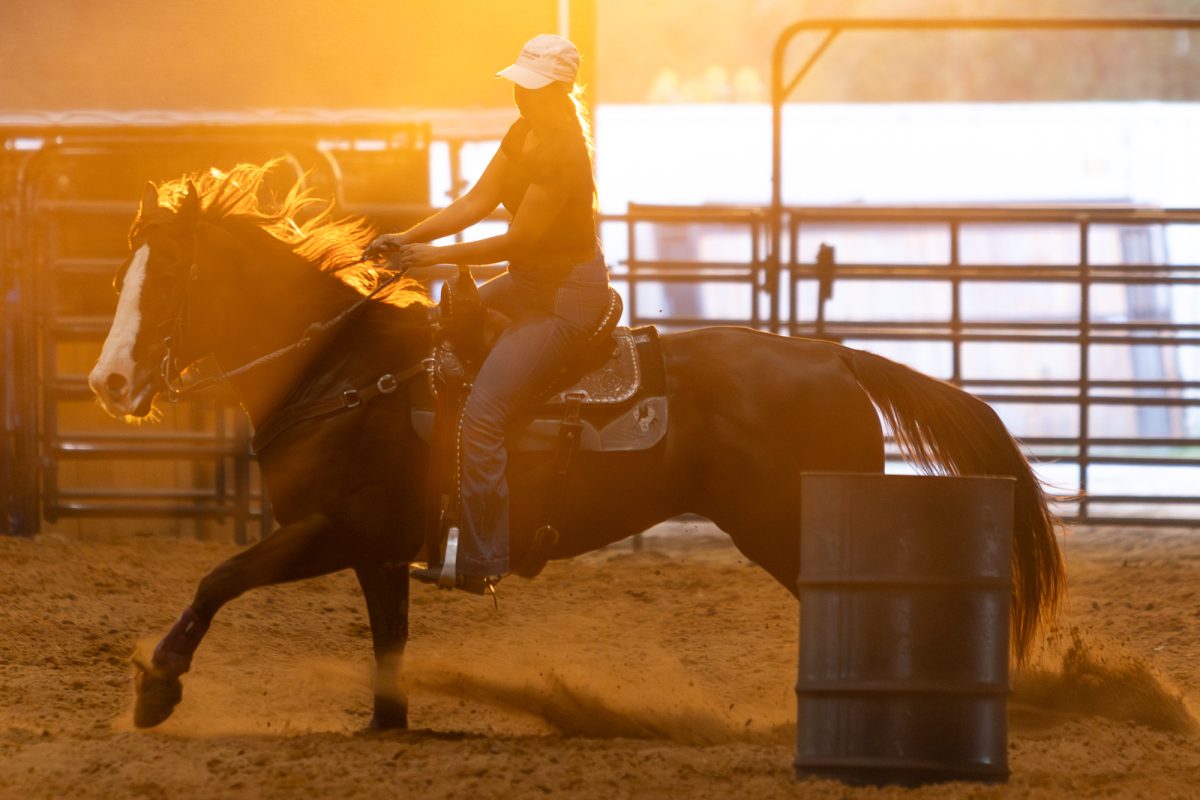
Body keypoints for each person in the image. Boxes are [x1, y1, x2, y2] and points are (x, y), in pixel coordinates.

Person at [363, 34, 609, 594]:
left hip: (565, 298)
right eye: (520, 85)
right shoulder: (526, 133)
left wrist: (433, 255)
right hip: (530, 285)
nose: (521, 97)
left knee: (484, 414)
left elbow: (518, 240)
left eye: (532, 87)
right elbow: (475, 201)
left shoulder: (564, 150)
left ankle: (481, 557)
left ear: (559, 89)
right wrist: (410, 236)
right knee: (433, 332)